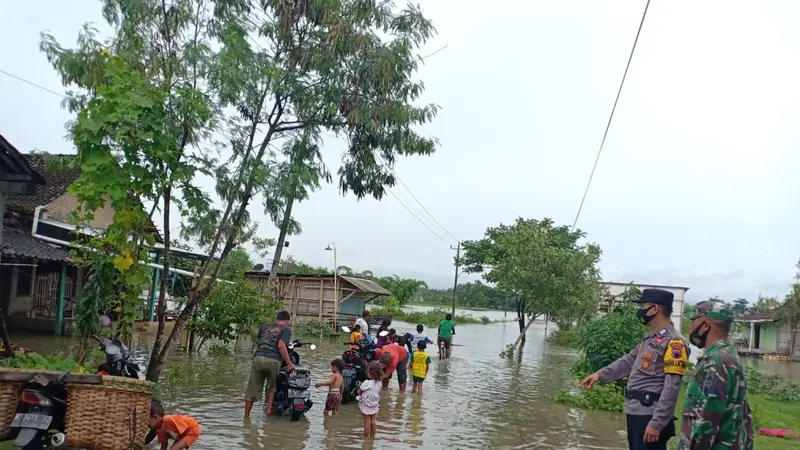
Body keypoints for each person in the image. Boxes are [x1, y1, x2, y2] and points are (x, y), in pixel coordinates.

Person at [580, 289, 689, 450]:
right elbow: (628, 360)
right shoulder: (651, 338)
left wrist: (657, 423)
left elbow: (671, 387)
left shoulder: (674, 343)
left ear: (654, 309)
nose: (640, 311)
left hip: (650, 417)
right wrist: (599, 375)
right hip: (637, 413)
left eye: (643, 306)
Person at [677, 301, 754, 450]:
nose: (691, 327)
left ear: (705, 325)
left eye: (694, 321)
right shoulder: (727, 355)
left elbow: (707, 420)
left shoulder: (717, 361)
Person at [244, 310, 295, 418]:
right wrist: (290, 364)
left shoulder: (264, 326)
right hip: (273, 360)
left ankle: (246, 416)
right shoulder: (286, 329)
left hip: (258, 358)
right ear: (287, 321)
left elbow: (260, 341)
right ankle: (269, 410)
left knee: (252, 388)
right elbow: (281, 346)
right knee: (272, 386)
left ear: (277, 319)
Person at [357, 361, 383, 438]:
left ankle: (366, 440)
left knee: (366, 423)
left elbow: (360, 391)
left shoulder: (367, 382)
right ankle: (372, 437)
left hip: (366, 404)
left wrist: (358, 391)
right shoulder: (379, 383)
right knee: (373, 422)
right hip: (374, 404)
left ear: (369, 372)